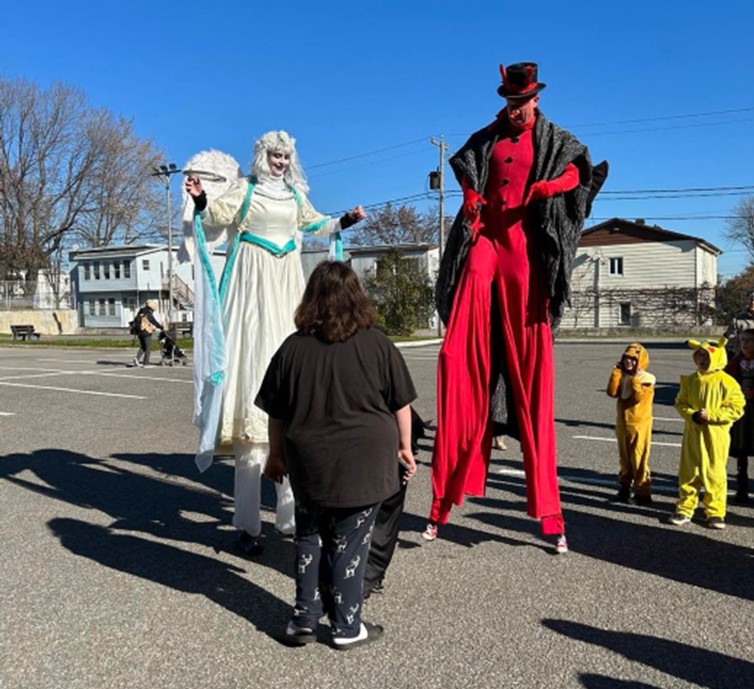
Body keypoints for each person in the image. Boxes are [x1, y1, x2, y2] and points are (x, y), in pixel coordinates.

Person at [427, 62, 607, 553]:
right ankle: (444, 497)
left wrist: (553, 187)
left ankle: (550, 513)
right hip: (487, 241)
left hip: (524, 251)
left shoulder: (554, 139)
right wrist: (468, 194)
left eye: (522, 102)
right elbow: (464, 165)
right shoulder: (487, 136)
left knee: (533, 376)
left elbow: (580, 171)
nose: (515, 110)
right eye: (509, 102)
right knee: (454, 357)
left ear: (537, 99)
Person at [184, 131, 366, 556]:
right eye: (274, 155)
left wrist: (345, 221)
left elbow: (318, 223)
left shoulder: (294, 196)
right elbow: (212, 218)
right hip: (250, 295)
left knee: (294, 401)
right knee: (253, 402)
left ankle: (290, 518)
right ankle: (247, 525)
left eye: (286, 156)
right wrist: (199, 201)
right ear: (261, 156)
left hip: (286, 291)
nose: (280, 162)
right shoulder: (244, 192)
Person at [256, 261, 417, 649]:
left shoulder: (292, 348)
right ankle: (347, 626)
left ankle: (303, 620)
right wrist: (405, 448)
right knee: (351, 544)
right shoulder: (377, 342)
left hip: (308, 462)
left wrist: (275, 456)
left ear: (311, 298)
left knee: (308, 537)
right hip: (365, 461)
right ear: (355, 297)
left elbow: (276, 412)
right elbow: (401, 405)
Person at [670, 338, 744, 529]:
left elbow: (736, 408)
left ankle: (715, 512)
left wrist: (712, 415)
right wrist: (692, 415)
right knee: (689, 473)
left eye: (706, 355)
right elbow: (680, 403)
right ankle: (685, 508)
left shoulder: (727, 382)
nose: (702, 359)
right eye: (699, 355)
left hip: (715, 437)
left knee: (715, 474)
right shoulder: (691, 380)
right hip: (693, 435)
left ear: (717, 357)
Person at [606, 343, 655, 505]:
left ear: (640, 361)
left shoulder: (647, 378)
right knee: (625, 459)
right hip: (622, 424)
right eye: (627, 358)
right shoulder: (622, 375)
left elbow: (638, 398)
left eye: (633, 360)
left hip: (639, 425)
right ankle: (624, 488)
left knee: (639, 459)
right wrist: (616, 374)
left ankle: (642, 493)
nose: (629, 362)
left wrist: (635, 380)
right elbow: (612, 392)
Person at [724, 328, 754, 503]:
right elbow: (725, 381)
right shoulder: (735, 362)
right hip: (741, 412)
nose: (745, 344)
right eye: (742, 340)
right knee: (741, 450)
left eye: (749, 340)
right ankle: (741, 489)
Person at [130, 300, 164, 368]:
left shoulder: (141, 312)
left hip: (139, 332)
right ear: (151, 309)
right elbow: (153, 322)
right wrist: (161, 327)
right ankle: (146, 363)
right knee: (148, 348)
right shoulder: (148, 314)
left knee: (143, 346)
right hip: (146, 332)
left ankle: (137, 358)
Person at [723, 292, 754, 356]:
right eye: (751, 300)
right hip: (742, 356)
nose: (752, 302)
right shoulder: (738, 319)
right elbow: (730, 338)